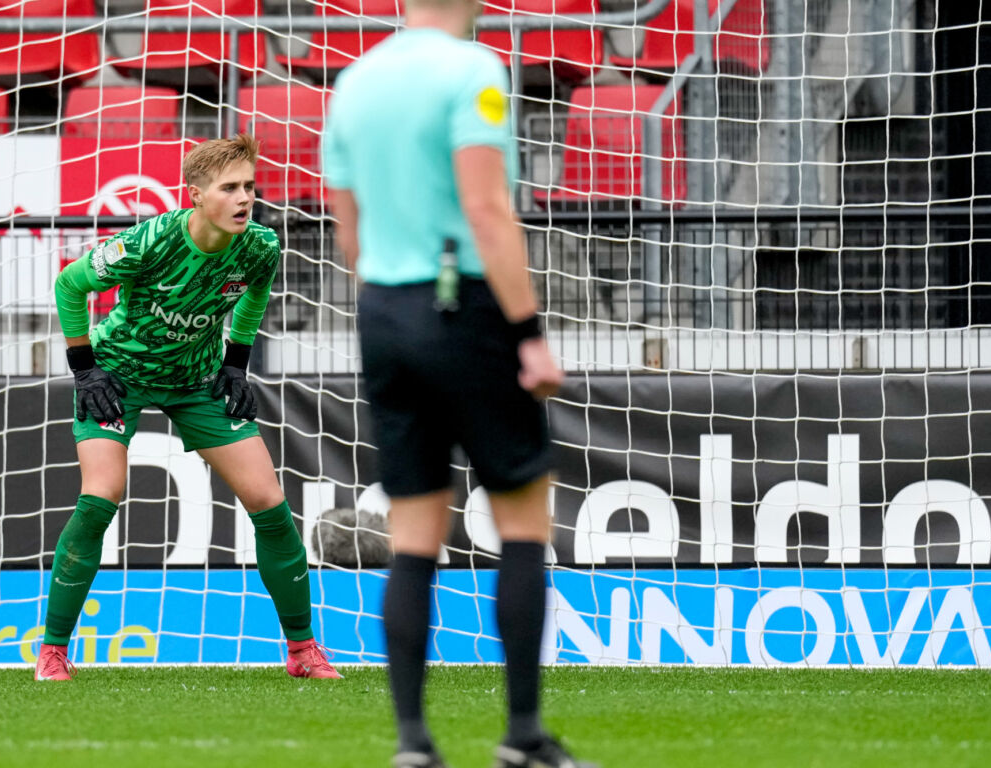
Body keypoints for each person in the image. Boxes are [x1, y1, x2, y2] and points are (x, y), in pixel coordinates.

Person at [323, 2, 596, 766]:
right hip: (464, 305)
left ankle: (413, 742)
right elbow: (485, 208)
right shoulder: (474, 70)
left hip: (382, 308)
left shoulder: (355, 81)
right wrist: (528, 333)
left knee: (414, 534)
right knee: (522, 523)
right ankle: (522, 735)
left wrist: (394, 304)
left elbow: (347, 228)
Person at [35, 134, 340, 682]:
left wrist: (236, 365)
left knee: (269, 502)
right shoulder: (147, 241)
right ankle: (53, 651)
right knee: (101, 497)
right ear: (196, 195)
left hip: (198, 382)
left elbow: (253, 295)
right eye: (230, 188)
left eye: (249, 186)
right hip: (117, 377)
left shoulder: (260, 246)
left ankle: (302, 651)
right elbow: (69, 284)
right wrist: (85, 369)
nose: (244, 198)